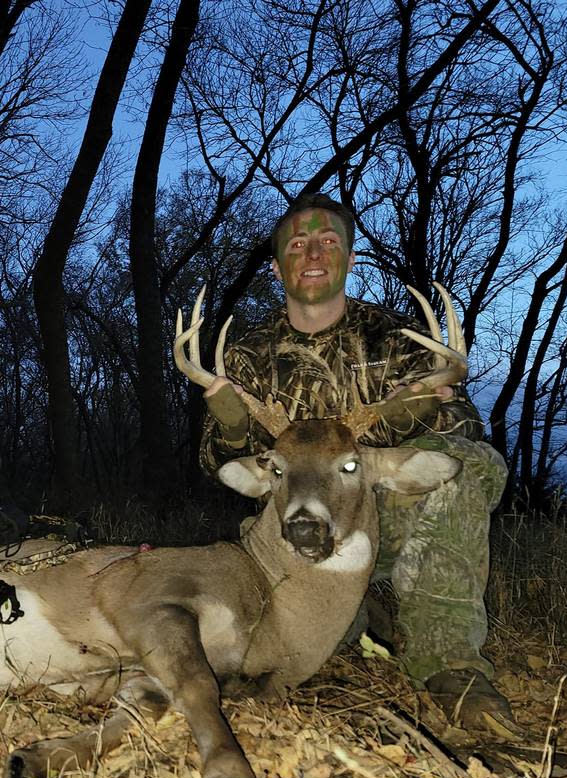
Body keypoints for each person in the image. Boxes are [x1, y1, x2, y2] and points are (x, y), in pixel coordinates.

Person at [199, 193, 513, 728]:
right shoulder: (247, 355)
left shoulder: (400, 343)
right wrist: (231, 431)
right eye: (298, 244)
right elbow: (221, 467)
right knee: (296, 643)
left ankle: (448, 663)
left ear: (348, 258)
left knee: (461, 469)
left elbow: (470, 445)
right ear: (278, 268)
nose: (314, 252)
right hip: (297, 532)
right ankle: (360, 617)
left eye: (329, 241)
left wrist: (404, 420)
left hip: (385, 519)